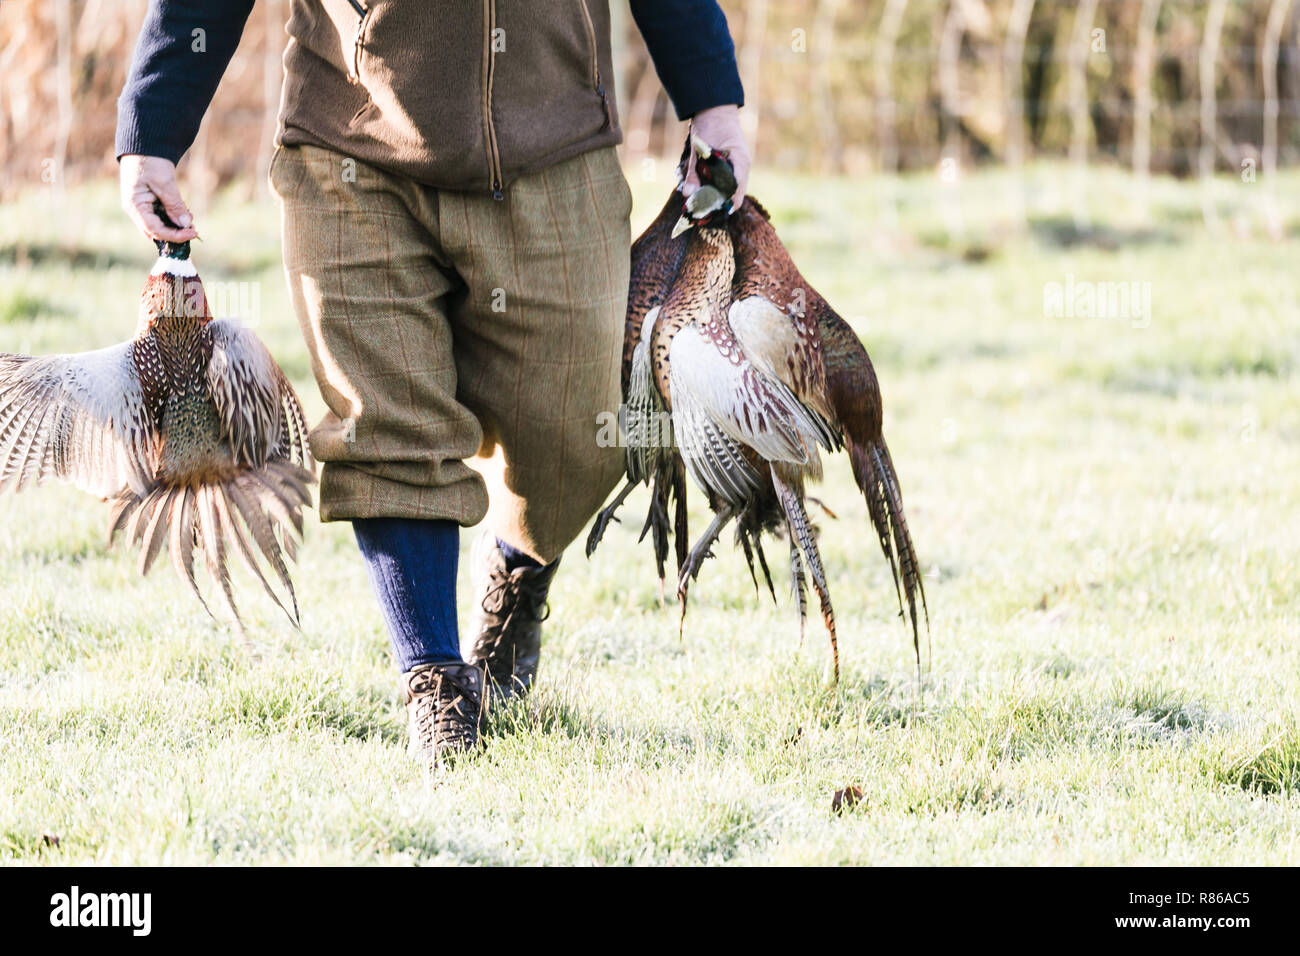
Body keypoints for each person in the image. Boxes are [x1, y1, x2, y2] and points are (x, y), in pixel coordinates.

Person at [116, 1, 751, 765]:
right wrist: (151, 129)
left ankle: (516, 571)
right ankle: (435, 683)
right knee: (383, 419)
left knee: (579, 433)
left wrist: (713, 102)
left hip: (553, 143)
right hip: (349, 143)